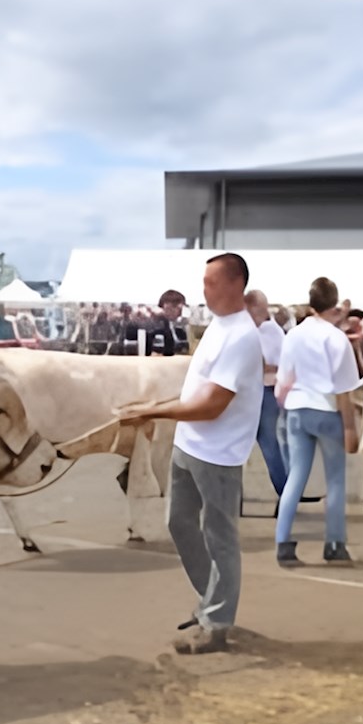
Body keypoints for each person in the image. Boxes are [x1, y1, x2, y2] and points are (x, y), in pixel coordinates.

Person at [119, 253, 263, 655]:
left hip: (218, 453)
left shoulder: (241, 336)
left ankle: (217, 621)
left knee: (220, 537)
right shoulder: (218, 327)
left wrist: (150, 411)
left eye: (212, 283)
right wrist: (152, 409)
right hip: (190, 444)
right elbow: (195, 393)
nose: (204, 290)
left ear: (236, 284)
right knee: (179, 523)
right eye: (204, 282)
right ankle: (211, 601)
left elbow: (212, 405)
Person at [273, 276, 361, 567]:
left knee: (296, 476)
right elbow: (345, 390)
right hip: (326, 410)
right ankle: (334, 543)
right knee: (334, 480)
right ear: (334, 303)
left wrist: (286, 407)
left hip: (297, 408)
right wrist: (350, 428)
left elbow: (283, 381)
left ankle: (283, 541)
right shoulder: (337, 339)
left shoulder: (294, 335)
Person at [244, 289, 288, 497]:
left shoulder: (273, 331)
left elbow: (281, 365)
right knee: (238, 444)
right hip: (243, 394)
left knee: (270, 443)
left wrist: (260, 367)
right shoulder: (241, 330)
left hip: (266, 392)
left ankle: (285, 491)